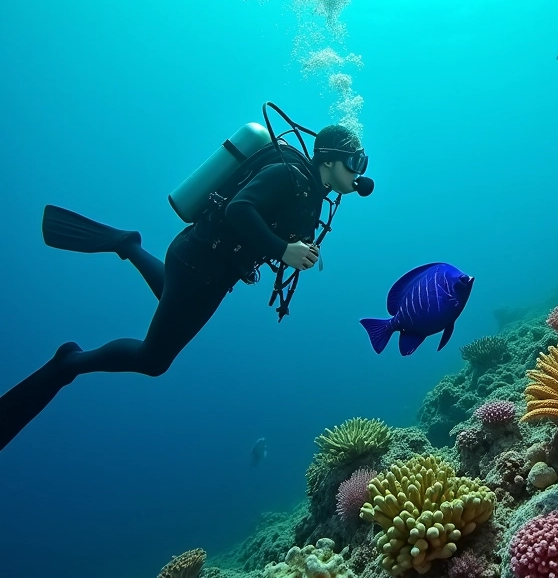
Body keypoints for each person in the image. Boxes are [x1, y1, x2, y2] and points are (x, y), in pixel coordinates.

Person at [0, 124, 370, 451]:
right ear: (330, 161)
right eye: (355, 162)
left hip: (206, 270)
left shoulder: (313, 192)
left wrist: (299, 248)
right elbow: (238, 209)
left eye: (362, 163)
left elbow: (276, 228)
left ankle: (128, 244)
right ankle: (69, 362)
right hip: (198, 266)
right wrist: (283, 249)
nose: (359, 173)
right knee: (153, 359)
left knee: (171, 301)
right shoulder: (288, 175)